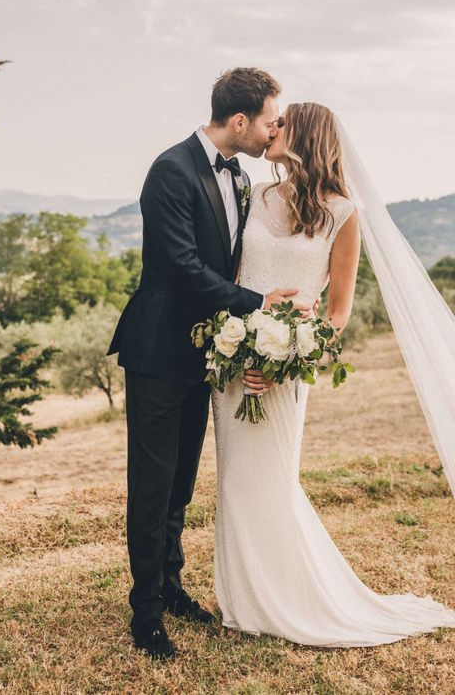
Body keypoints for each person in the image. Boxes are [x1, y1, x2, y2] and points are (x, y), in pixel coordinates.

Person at [212, 101, 455, 646]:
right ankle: (244, 602)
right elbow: (235, 275)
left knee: (271, 479)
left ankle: (287, 601)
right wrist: (236, 340)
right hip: (235, 364)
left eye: (281, 123)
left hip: (283, 369)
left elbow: (337, 311)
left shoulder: (344, 214)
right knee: (234, 482)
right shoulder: (260, 196)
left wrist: (287, 359)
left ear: (306, 135)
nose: (271, 129)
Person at [107, 68, 317, 659]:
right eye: (272, 121)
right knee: (151, 484)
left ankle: (171, 586)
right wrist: (257, 304)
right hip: (156, 352)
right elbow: (179, 268)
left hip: (203, 354)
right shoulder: (169, 171)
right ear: (241, 121)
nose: (276, 130)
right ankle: (145, 612)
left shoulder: (243, 176)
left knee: (179, 484)